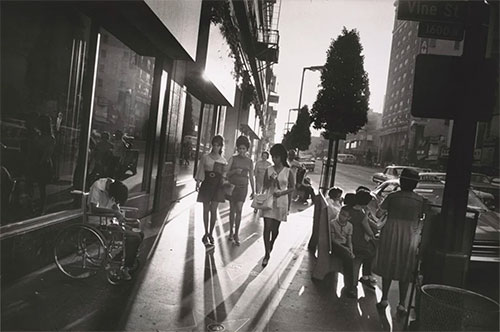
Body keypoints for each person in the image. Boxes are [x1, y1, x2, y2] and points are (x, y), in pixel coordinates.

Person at [374, 168, 425, 315]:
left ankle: (384, 298)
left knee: (388, 263)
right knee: (406, 267)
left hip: (391, 232)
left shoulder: (392, 197)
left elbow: (379, 214)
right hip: (410, 235)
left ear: (401, 182)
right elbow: (421, 217)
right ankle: (402, 304)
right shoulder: (419, 200)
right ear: (415, 185)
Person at [88, 177, 143, 280]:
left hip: (109, 221)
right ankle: (125, 266)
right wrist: (114, 213)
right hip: (99, 222)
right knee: (134, 238)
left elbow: (114, 205)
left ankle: (122, 259)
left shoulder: (114, 186)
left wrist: (118, 212)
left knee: (139, 233)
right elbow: (93, 208)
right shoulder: (98, 186)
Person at [260, 143, 296, 267]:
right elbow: (264, 186)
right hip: (269, 201)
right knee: (267, 227)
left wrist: (282, 192)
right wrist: (270, 182)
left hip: (281, 201)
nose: (274, 159)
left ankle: (271, 244)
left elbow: (292, 188)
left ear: (282, 157)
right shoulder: (269, 169)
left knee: (275, 229)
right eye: (273, 157)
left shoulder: (288, 171)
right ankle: (266, 253)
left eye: (276, 157)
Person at [195, 135, 227, 248]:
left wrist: (224, 181)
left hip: (217, 186)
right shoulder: (205, 157)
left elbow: (224, 175)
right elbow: (200, 170)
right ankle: (205, 232)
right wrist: (198, 182)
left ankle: (211, 233)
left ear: (221, 146)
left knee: (214, 210)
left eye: (218, 145)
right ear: (211, 145)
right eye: (214, 145)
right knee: (205, 209)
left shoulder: (223, 160)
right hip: (207, 184)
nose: (216, 147)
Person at [227, 136, 255, 246]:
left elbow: (251, 176)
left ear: (247, 149)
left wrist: (254, 191)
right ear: (237, 148)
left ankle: (236, 234)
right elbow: (226, 173)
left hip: (243, 188)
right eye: (240, 148)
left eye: (244, 148)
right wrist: (234, 171)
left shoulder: (250, 161)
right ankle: (230, 231)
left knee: (239, 209)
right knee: (232, 210)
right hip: (232, 187)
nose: (241, 151)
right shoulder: (233, 159)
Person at [350, 190, 377, 293]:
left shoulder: (348, 209)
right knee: (372, 250)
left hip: (349, 240)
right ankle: (366, 276)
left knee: (370, 248)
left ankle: (366, 276)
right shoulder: (361, 215)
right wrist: (366, 214)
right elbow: (370, 232)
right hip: (356, 245)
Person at [330, 206, 356, 298]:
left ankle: (349, 285)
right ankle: (349, 287)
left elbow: (349, 241)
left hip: (344, 246)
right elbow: (333, 240)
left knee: (350, 258)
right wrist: (346, 249)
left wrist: (351, 251)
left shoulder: (349, 226)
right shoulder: (333, 223)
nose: (341, 216)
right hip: (335, 246)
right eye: (341, 213)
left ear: (349, 218)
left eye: (345, 216)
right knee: (348, 259)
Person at [32, 115, 56, 214]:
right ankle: (35, 205)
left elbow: (47, 153)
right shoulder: (40, 135)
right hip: (38, 161)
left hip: (43, 164)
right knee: (37, 185)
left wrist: (39, 163)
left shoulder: (50, 138)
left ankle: (41, 208)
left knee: (41, 187)